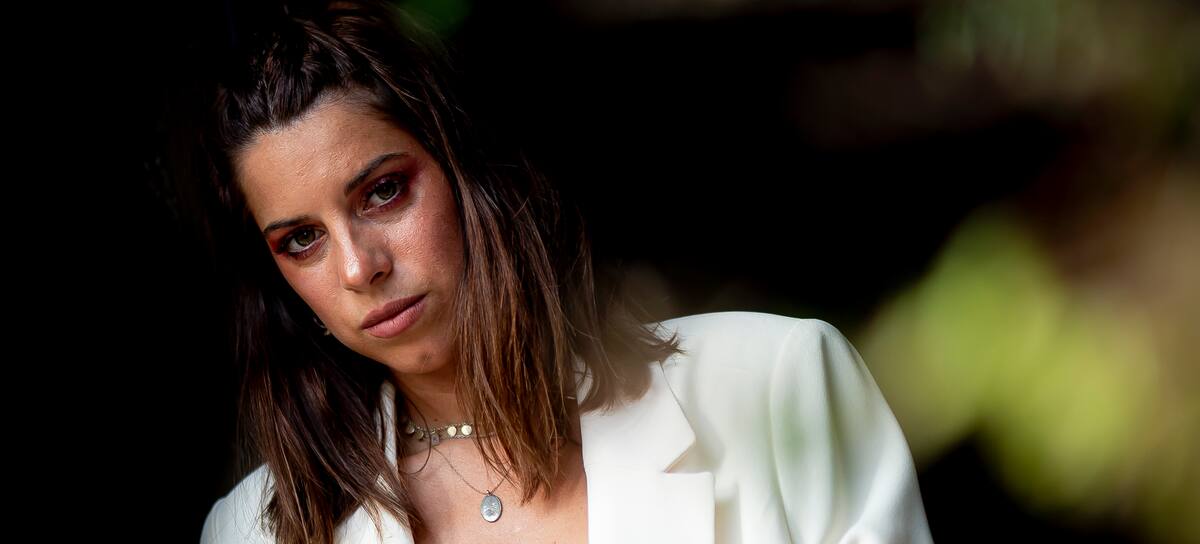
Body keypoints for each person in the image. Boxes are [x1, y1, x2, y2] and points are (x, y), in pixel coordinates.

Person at [196, 1, 934, 542]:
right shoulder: (249, 532)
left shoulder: (774, 385)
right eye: (302, 240)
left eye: (384, 192)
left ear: (468, 174)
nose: (360, 266)